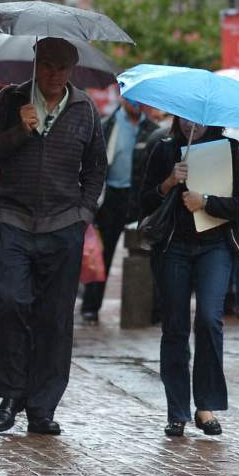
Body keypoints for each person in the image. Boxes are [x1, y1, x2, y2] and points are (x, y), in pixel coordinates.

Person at [0, 36, 106, 436]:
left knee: (55, 319)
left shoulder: (85, 109)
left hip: (62, 226)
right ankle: (11, 395)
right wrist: (19, 130)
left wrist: (82, 214)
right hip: (13, 220)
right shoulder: (9, 100)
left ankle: (42, 406)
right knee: (11, 304)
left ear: (72, 70)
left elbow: (95, 168)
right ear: (35, 63)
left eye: (61, 67)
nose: (53, 74)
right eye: (47, 64)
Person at [140, 118, 239, 438]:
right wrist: (167, 184)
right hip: (172, 247)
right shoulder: (163, 149)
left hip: (214, 247)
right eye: (185, 117)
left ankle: (206, 406)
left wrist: (206, 202)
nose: (193, 125)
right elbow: (143, 201)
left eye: (200, 119)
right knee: (174, 326)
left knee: (208, 318)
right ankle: (176, 411)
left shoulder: (231, 153)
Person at [80, 97, 158, 323]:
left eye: (140, 100)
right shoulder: (106, 126)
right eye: (131, 99)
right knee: (102, 252)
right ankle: (91, 306)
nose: (136, 104)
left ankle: (152, 309)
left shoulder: (152, 131)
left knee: (147, 251)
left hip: (141, 198)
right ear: (123, 98)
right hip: (111, 197)